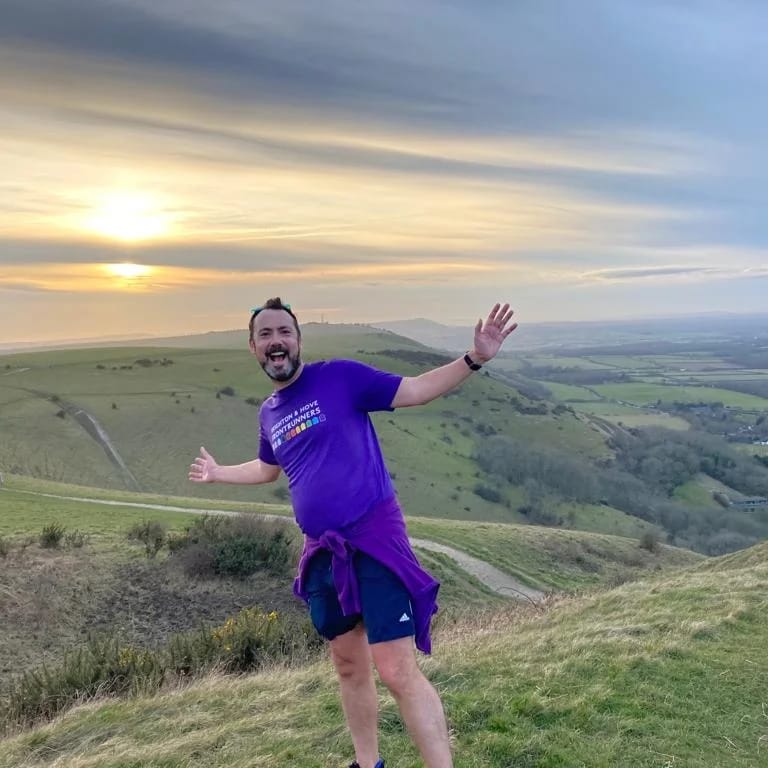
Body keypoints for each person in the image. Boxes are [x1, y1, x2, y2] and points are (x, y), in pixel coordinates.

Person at [189, 297, 517, 768]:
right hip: (323, 553)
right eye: (265, 335)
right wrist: (219, 473)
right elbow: (267, 470)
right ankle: (368, 764)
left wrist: (475, 358)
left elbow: (417, 390)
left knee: (397, 670)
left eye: (283, 332)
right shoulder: (270, 412)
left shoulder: (339, 378)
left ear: (298, 340)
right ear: (253, 348)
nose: (275, 342)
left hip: (374, 539)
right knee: (348, 666)